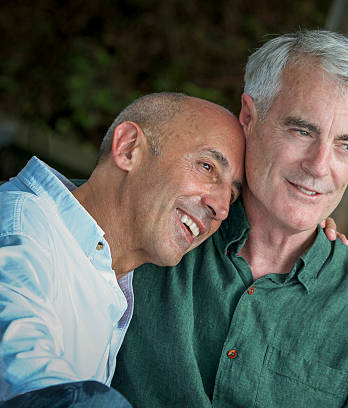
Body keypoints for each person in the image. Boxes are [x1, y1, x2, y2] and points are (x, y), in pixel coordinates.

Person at [112, 30, 348, 407]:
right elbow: (54, 209)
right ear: (248, 116)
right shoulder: (153, 222)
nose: (319, 166)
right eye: (302, 130)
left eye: (345, 145)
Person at [0, 92, 245, 407]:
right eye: (207, 167)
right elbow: (29, 382)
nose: (222, 208)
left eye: (233, 196)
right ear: (128, 148)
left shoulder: (110, 276)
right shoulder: (19, 229)